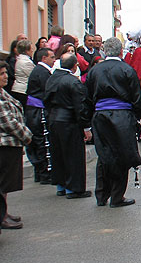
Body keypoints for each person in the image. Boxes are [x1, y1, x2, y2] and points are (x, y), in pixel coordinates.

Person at [86, 37, 141, 208]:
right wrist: (139, 118)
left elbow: (87, 97)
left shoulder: (94, 71)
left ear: (104, 50)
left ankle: (101, 195)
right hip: (122, 117)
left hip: (100, 116)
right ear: (121, 51)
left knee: (104, 154)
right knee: (122, 154)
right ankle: (117, 196)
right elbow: (137, 97)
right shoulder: (127, 69)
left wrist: (87, 121)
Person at [43, 53, 93, 198]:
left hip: (53, 119)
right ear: (74, 65)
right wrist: (86, 127)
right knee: (73, 155)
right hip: (69, 121)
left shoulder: (51, 79)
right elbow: (80, 107)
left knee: (57, 153)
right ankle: (74, 189)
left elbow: (45, 100)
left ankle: (61, 186)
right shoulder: (72, 82)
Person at [0, 60, 31, 231]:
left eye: (6, 72)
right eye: (2, 74)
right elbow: (8, 122)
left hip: (10, 144)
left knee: (5, 184)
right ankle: (2, 216)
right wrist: (27, 136)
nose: (6, 76)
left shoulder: (3, 92)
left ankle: (4, 213)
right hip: (4, 145)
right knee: (2, 183)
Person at [24, 47, 55, 184]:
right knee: (42, 142)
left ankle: (40, 172)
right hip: (38, 110)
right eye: (52, 57)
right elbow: (48, 92)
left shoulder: (40, 71)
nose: (54, 60)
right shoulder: (42, 72)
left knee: (39, 141)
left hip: (34, 109)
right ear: (44, 58)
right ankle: (44, 173)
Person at [10, 39, 35, 108]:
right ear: (26, 51)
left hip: (19, 88)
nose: (32, 51)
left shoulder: (20, 59)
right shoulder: (26, 62)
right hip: (22, 90)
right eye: (31, 49)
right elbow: (32, 75)